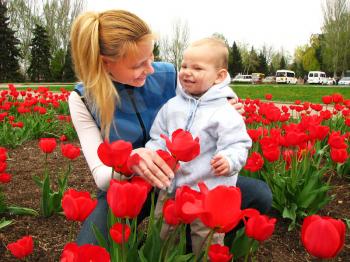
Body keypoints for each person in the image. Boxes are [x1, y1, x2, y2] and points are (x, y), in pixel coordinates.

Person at [68, 9, 272, 247]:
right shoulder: (83, 99)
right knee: (87, 250)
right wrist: (131, 159)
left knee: (259, 195)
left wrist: (224, 107)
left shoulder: (170, 74)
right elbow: (102, 176)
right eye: (139, 64)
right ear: (105, 63)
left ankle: (180, 243)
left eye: (151, 57)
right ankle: (159, 243)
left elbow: (206, 94)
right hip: (128, 189)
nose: (151, 69)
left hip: (180, 179)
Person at [146, 37, 252, 255]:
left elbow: (238, 143)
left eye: (197, 68)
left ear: (219, 76)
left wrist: (229, 160)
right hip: (171, 186)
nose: (186, 72)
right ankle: (165, 258)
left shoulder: (224, 111)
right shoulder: (172, 106)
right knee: (163, 231)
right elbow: (158, 136)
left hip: (207, 191)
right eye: (184, 66)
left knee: (206, 239)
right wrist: (157, 154)